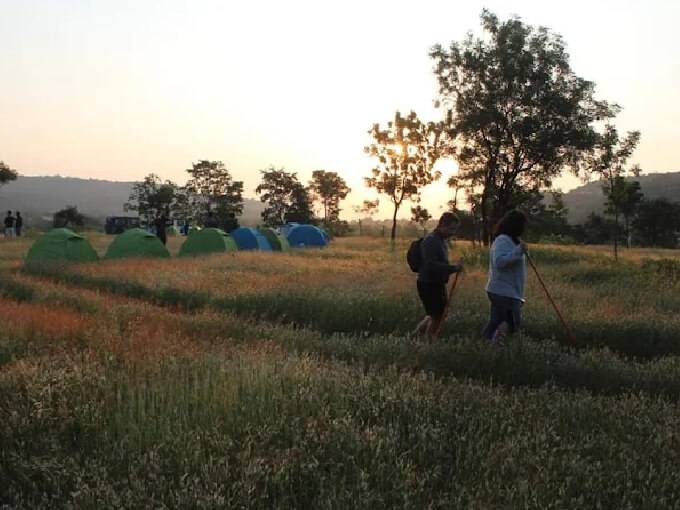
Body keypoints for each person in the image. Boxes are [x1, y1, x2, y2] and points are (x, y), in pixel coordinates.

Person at [413, 212, 464, 339]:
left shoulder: (440, 240)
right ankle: (429, 344)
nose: (453, 232)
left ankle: (416, 336)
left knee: (436, 314)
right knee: (437, 316)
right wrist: (453, 268)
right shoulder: (431, 240)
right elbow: (431, 265)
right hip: (429, 283)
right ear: (442, 225)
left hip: (436, 283)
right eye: (451, 229)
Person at [482, 209, 528, 343]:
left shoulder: (513, 241)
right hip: (504, 292)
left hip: (508, 291)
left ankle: (485, 346)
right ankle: (503, 349)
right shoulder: (503, 240)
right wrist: (519, 251)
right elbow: (499, 261)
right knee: (512, 326)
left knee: (496, 322)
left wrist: (519, 249)